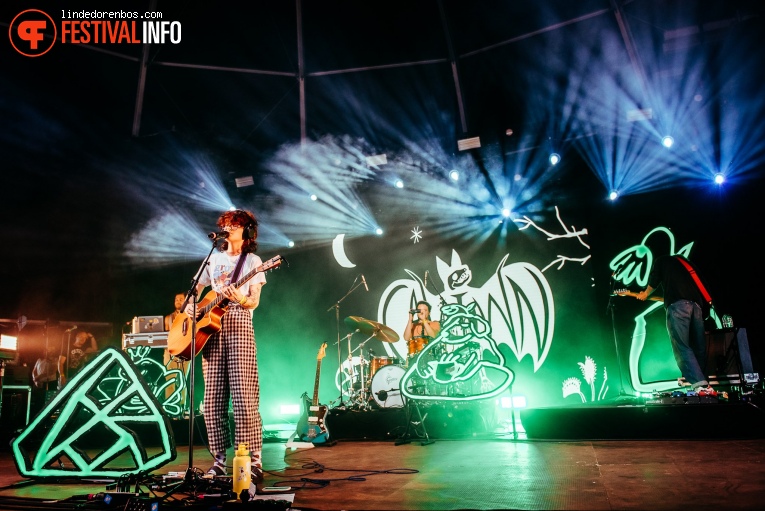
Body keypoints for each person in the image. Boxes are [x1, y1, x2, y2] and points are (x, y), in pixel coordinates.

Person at [186, 209, 266, 480]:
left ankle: (252, 459)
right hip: (210, 330)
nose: (229, 227)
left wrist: (240, 299)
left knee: (244, 398)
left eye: (234, 224)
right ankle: (219, 459)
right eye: (226, 224)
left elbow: (254, 300)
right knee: (212, 401)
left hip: (239, 323)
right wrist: (190, 309)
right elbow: (195, 291)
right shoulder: (214, 259)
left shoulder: (253, 260)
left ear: (246, 230)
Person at [635, 254, 713, 391]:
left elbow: (654, 279)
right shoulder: (687, 264)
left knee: (681, 346)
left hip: (679, 306)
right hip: (697, 307)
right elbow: (703, 285)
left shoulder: (662, 260)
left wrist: (645, 293)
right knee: (699, 348)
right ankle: (704, 383)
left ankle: (701, 386)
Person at [164, 292, 189, 402]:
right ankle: (170, 408)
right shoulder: (168, 318)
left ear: (186, 301)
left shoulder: (189, 316)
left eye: (180, 299)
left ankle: (182, 409)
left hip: (185, 351)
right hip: (170, 353)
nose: (178, 301)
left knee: (182, 380)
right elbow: (164, 337)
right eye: (176, 299)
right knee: (170, 379)